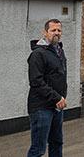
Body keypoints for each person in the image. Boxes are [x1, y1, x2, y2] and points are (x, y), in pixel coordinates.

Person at [27, 19, 67, 157]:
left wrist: (61, 98)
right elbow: (36, 82)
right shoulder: (38, 54)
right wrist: (57, 97)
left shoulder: (59, 51)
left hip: (56, 107)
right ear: (45, 33)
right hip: (41, 108)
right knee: (38, 149)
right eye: (53, 30)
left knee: (57, 143)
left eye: (59, 30)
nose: (56, 33)